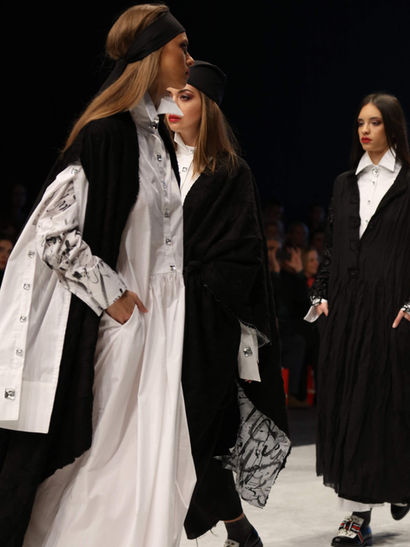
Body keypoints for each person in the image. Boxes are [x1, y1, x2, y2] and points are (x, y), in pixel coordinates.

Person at [0, 5, 196, 546]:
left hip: (163, 326)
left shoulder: (158, 138)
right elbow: (52, 233)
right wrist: (113, 296)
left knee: (149, 460)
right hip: (124, 328)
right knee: (108, 459)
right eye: (182, 47)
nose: (190, 59)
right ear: (153, 54)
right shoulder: (107, 135)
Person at [167, 60, 290, 547]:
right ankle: (237, 529)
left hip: (205, 322)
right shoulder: (153, 165)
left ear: (208, 107)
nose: (174, 105)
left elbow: (244, 255)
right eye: (171, 95)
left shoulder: (230, 172)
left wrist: (194, 284)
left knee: (196, 431)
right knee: (159, 429)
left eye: (186, 96)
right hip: (152, 316)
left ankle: (235, 527)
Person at [305, 92, 410, 546]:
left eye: (375, 122)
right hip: (346, 309)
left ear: (393, 127)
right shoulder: (344, 183)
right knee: (350, 404)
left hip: (393, 310)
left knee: (389, 404)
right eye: (360, 123)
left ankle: (397, 483)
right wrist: (321, 292)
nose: (365, 130)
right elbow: (332, 246)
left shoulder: (408, 182)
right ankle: (356, 514)